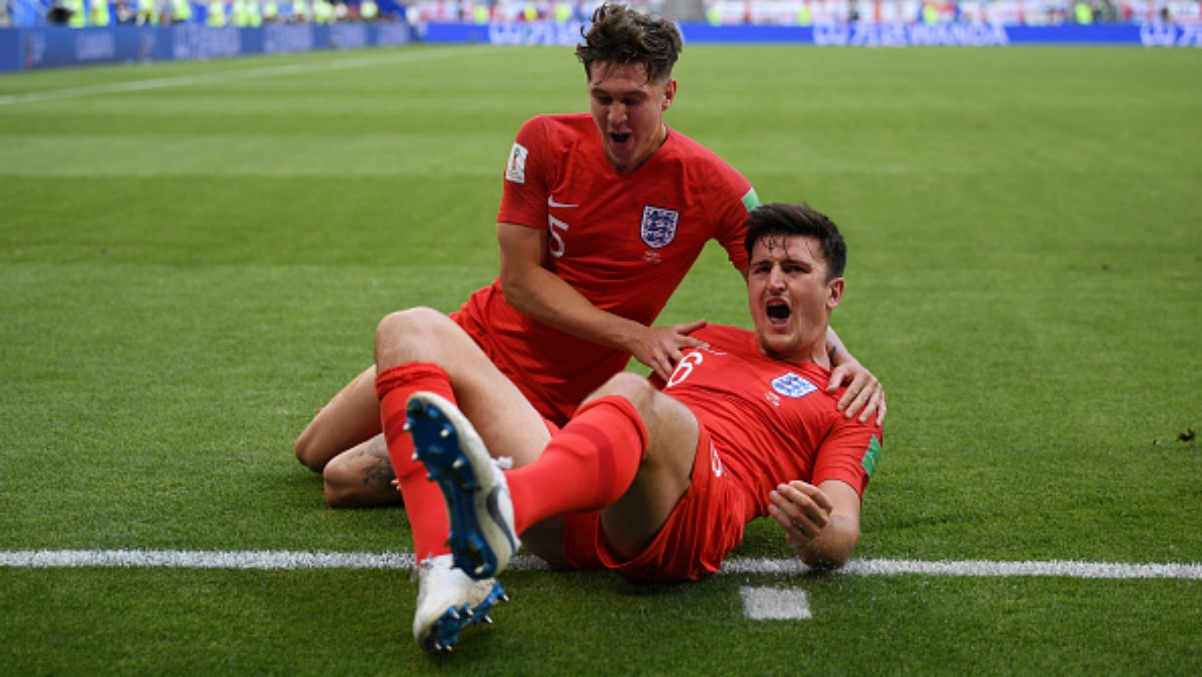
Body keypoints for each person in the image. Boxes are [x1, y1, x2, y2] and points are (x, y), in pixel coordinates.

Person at [295, 3, 886, 508]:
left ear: (668, 92)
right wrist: (634, 336)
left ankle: (487, 458)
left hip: (551, 396)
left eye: (633, 99)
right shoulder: (543, 141)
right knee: (310, 450)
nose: (615, 117)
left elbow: (780, 276)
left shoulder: (713, 184)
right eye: (602, 97)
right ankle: (472, 446)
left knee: (342, 478)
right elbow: (521, 282)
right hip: (473, 338)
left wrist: (843, 360)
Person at [376, 202, 882, 651]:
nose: (774, 281)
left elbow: (841, 531)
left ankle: (497, 502)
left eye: (794, 269)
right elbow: (608, 427)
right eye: (761, 269)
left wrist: (818, 534)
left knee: (632, 393)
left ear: (834, 291)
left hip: (690, 514)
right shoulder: (702, 339)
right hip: (584, 495)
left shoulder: (848, 399)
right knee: (408, 328)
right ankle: (446, 561)